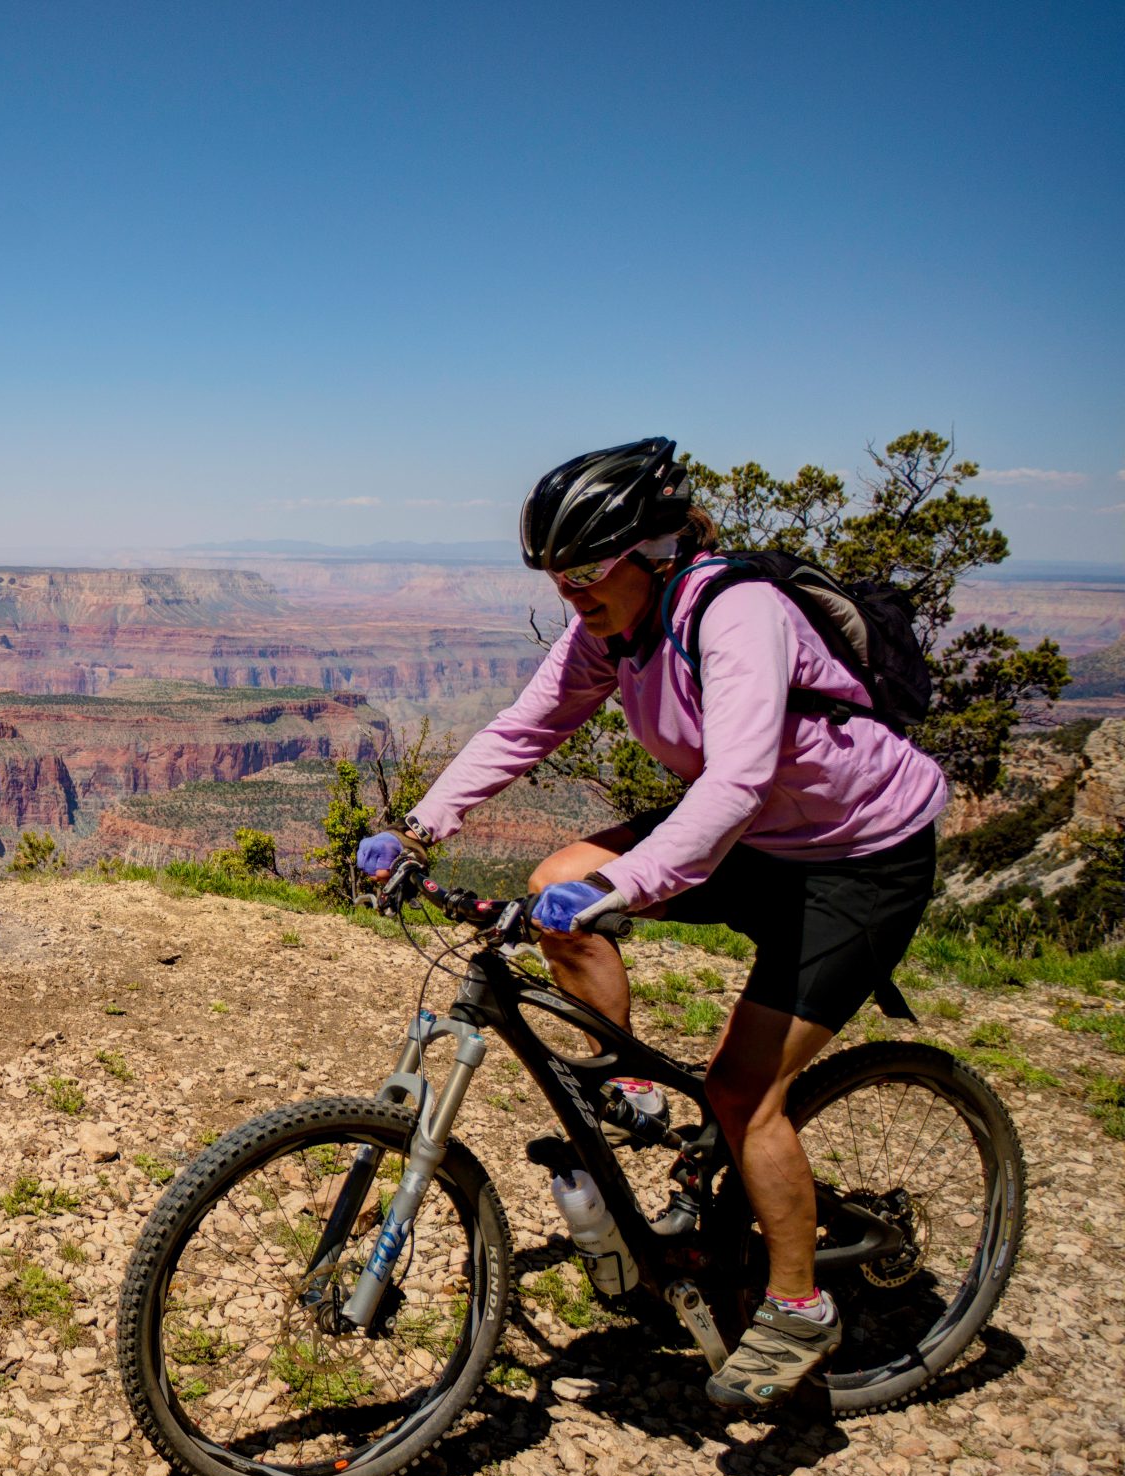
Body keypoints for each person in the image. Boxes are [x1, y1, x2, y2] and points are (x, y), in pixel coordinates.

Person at [357, 437, 947, 1409]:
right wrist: (418, 830)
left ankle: (798, 1307)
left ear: (652, 550)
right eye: (556, 577)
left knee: (741, 1091)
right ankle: (627, 1084)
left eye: (585, 572)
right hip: (758, 839)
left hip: (857, 857)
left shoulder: (735, 613)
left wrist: (626, 883)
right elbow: (524, 728)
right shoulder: (610, 629)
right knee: (557, 884)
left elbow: (737, 781)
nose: (569, 593)